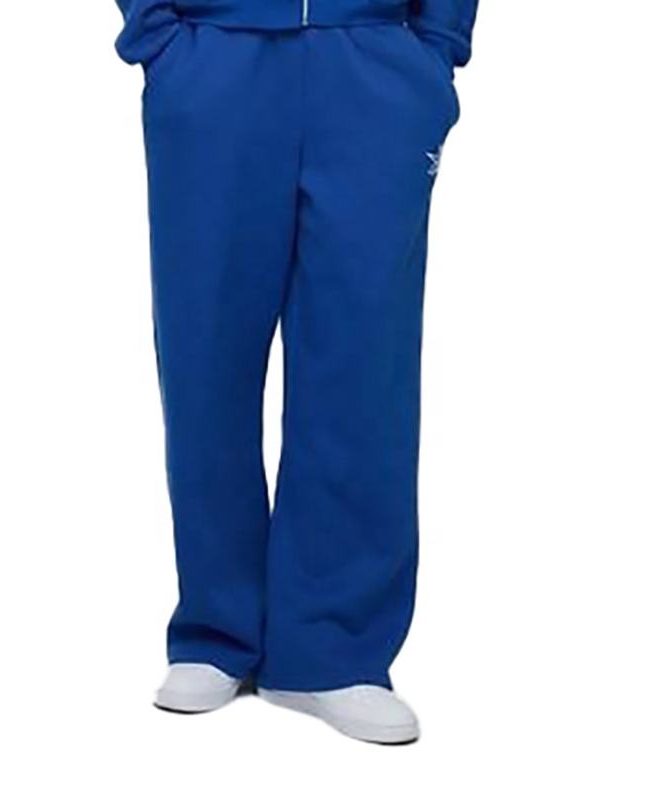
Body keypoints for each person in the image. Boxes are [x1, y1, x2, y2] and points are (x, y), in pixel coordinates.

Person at [114, 0, 479, 744]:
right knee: (205, 351)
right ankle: (217, 630)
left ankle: (334, 648)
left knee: (365, 364)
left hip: (374, 61)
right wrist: (157, 38)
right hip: (213, 57)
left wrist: (436, 48)